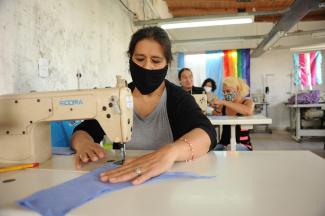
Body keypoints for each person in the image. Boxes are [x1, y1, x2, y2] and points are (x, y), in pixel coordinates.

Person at [71, 26, 217, 185]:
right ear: (130, 59)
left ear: (167, 63)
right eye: (140, 59)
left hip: (164, 182)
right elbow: (83, 130)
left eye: (156, 61)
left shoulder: (178, 98)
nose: (147, 67)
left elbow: (207, 133)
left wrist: (170, 153)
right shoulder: (114, 98)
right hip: (123, 179)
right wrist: (84, 144)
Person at [211, 77, 254, 151]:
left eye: (228, 91)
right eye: (223, 92)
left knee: (231, 150)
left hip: (243, 144)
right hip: (224, 143)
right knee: (210, 152)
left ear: (237, 89)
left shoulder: (248, 102)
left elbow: (248, 111)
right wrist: (216, 108)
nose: (225, 94)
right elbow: (214, 120)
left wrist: (224, 102)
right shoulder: (224, 105)